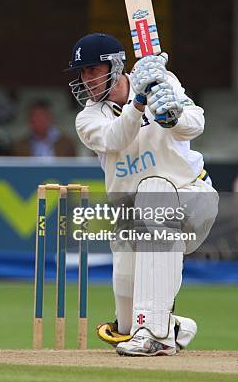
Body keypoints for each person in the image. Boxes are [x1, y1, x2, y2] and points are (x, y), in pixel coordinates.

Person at [67, 33, 218, 356]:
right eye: (83, 72)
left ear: (116, 65)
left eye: (94, 69)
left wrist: (172, 115)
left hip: (192, 196)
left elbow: (196, 124)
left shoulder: (161, 81)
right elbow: (116, 139)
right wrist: (140, 102)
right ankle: (169, 326)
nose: (88, 79)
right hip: (133, 218)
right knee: (125, 321)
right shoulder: (88, 118)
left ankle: (155, 333)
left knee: (153, 188)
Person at [12, 100, 76, 157]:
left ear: (50, 118)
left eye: (42, 117)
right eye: (35, 117)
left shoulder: (67, 143)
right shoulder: (18, 146)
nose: (38, 121)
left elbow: (74, 168)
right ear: (29, 121)